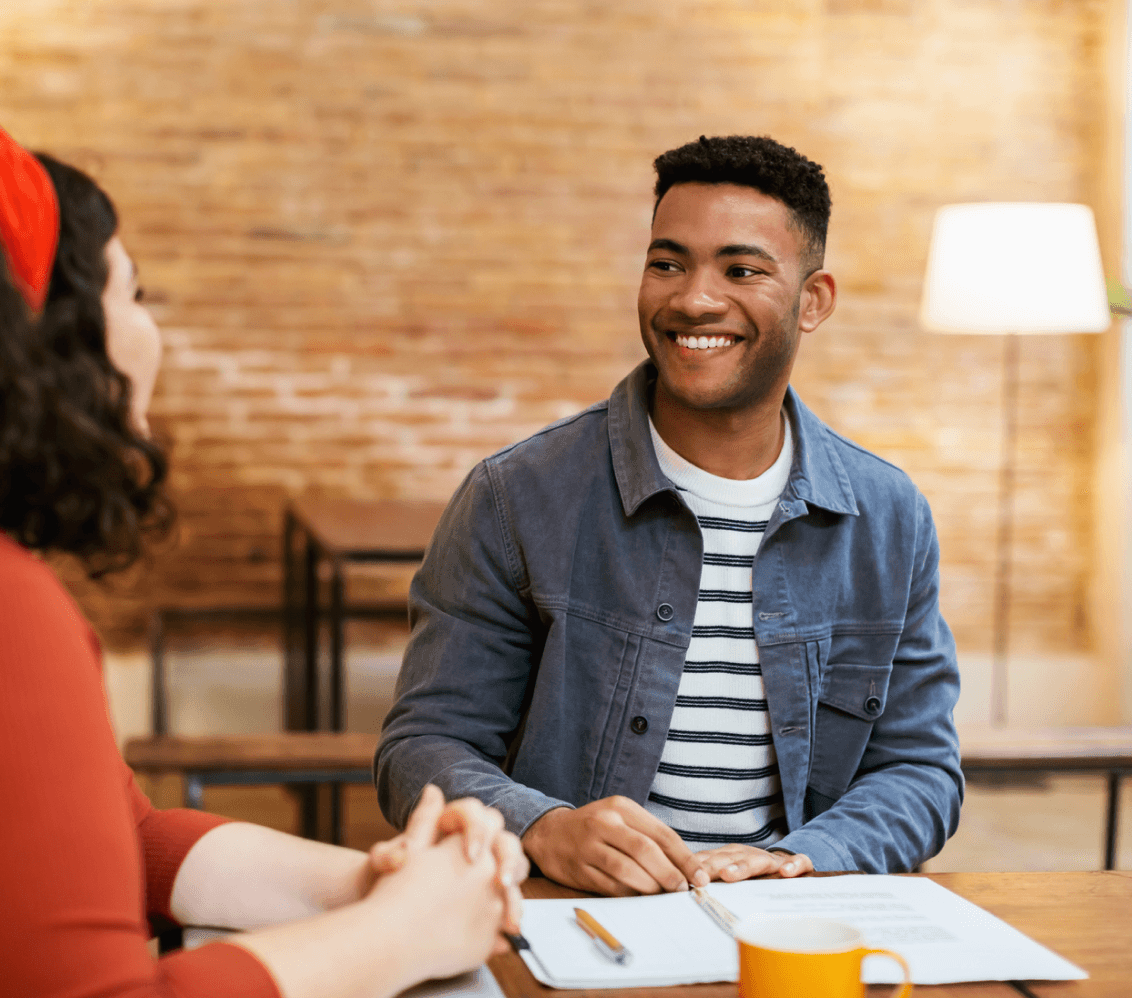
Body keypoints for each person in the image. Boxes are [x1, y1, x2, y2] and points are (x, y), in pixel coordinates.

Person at [0, 114, 527, 998]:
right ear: (51, 343)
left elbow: (116, 835)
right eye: (132, 295)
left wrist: (363, 883)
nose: (148, 333)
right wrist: (396, 937)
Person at [375, 135, 963, 894]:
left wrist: (805, 855)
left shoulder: (888, 518)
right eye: (668, 263)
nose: (693, 298)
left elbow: (918, 768)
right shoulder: (513, 497)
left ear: (812, 301)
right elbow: (422, 747)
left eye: (741, 269)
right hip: (572, 919)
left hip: (790, 924)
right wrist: (543, 828)